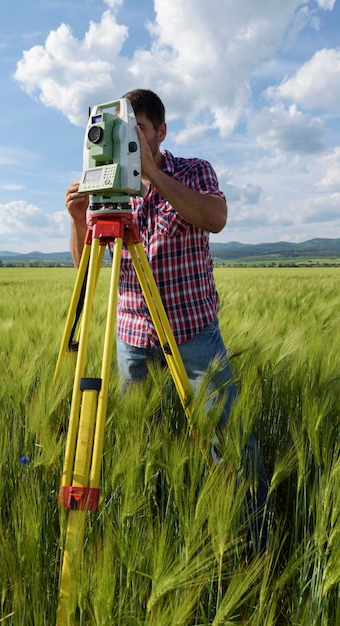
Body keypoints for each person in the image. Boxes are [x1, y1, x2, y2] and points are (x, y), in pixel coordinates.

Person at [65, 88, 270, 554]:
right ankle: (157, 535)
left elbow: (215, 217)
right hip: (133, 339)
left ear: (161, 130)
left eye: (137, 131)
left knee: (230, 440)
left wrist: (153, 174)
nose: (129, 142)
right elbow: (89, 266)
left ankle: (257, 542)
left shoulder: (194, 170)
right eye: (122, 134)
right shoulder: (112, 189)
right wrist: (81, 218)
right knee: (145, 441)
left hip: (192, 335)